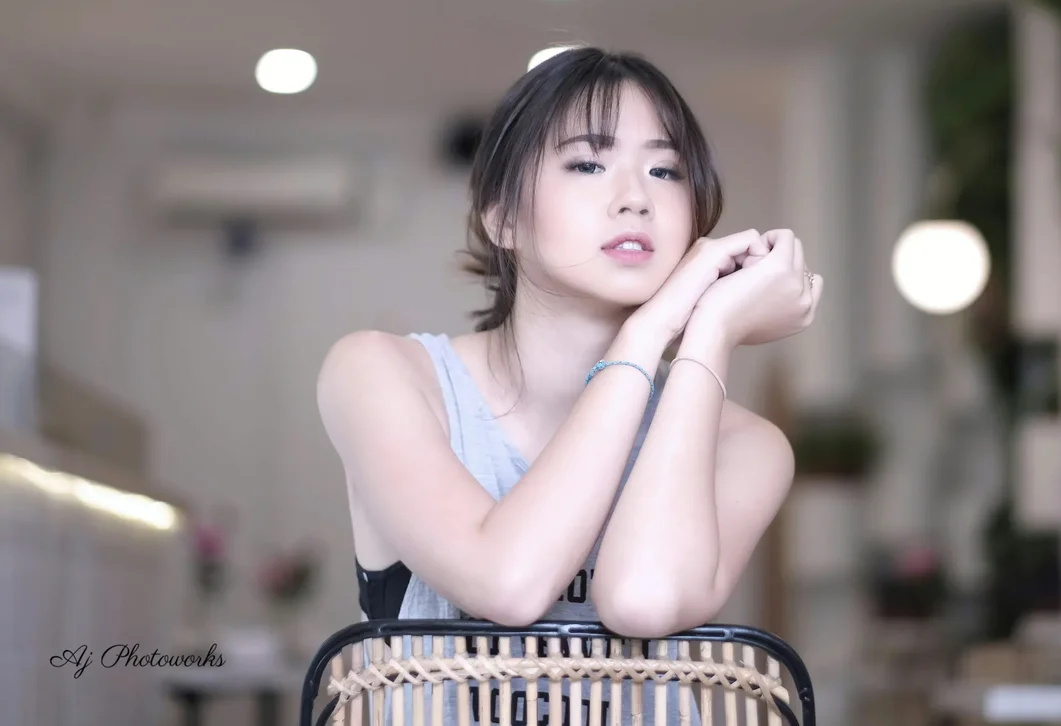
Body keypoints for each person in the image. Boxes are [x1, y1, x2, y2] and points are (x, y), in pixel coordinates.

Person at [317, 47, 824, 725]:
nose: (635, 198)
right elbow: (509, 580)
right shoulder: (382, 375)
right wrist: (652, 330)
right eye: (588, 163)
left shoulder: (748, 447)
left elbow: (641, 600)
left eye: (665, 170)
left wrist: (709, 335)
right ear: (501, 216)